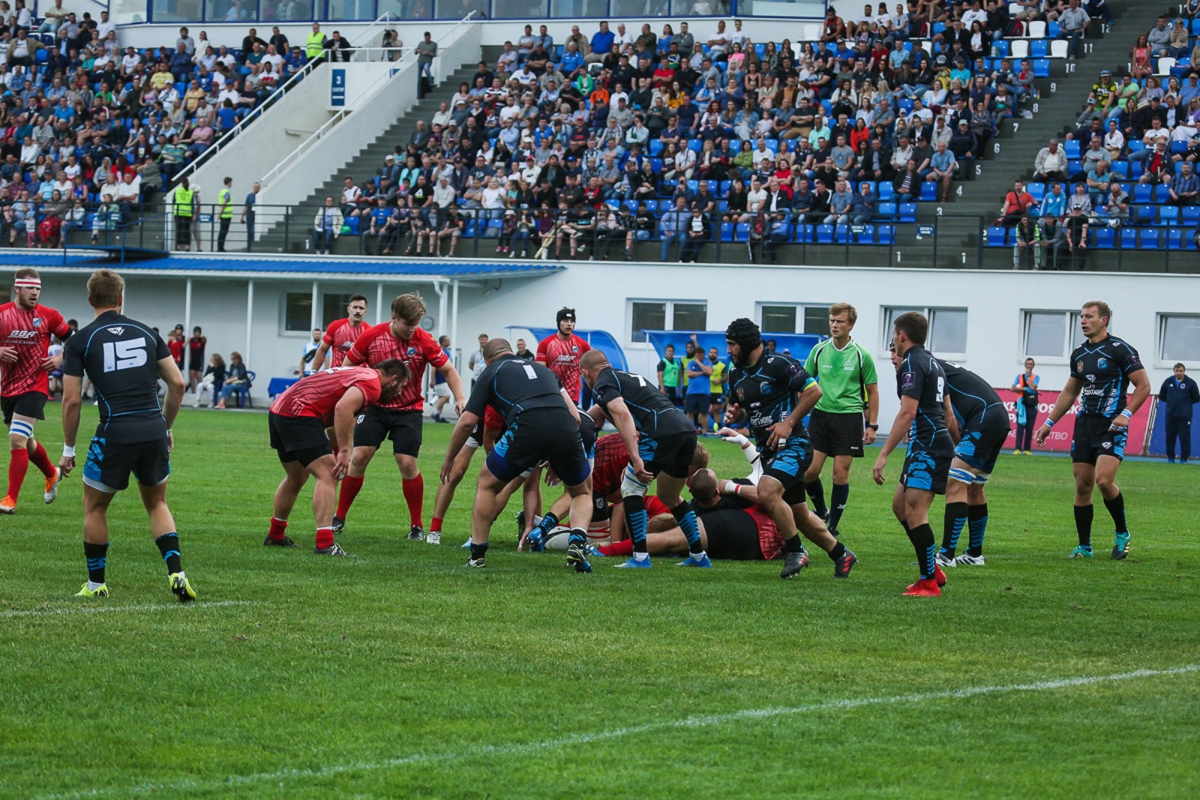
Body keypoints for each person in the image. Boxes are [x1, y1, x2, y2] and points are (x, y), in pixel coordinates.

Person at [59, 269, 194, 601]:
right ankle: (176, 573)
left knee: (94, 507)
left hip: (115, 432)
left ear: (90, 299)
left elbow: (72, 400)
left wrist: (68, 448)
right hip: (152, 429)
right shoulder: (147, 333)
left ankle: (96, 585)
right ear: (121, 299)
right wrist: (167, 427)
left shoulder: (80, 340)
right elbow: (178, 384)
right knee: (157, 503)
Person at [440, 338, 593, 573]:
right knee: (582, 491)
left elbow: (467, 421)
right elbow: (575, 416)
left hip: (526, 425)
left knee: (487, 484)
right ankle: (577, 541)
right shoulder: (544, 370)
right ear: (512, 351)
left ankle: (477, 554)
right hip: (564, 426)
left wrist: (449, 457)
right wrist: (556, 455)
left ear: (487, 359)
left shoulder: (492, 371)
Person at [724, 318, 858, 580]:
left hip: (794, 445)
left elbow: (813, 391)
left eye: (732, 345)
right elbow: (747, 412)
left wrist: (788, 423)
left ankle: (795, 551)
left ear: (747, 343)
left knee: (767, 490)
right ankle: (841, 554)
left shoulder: (779, 365)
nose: (729, 350)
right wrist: (735, 416)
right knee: (799, 514)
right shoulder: (736, 374)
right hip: (770, 451)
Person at [336, 294, 465, 540]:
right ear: (394, 317)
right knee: (359, 456)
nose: (412, 329)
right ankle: (339, 517)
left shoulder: (423, 340)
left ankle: (416, 526)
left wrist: (459, 397)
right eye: (408, 324)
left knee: (407, 463)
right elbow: (347, 366)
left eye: (416, 323)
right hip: (374, 408)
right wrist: (352, 399)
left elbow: (448, 369)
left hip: (408, 411)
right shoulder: (372, 336)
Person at [1035, 301, 1151, 559]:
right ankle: (1085, 546)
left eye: (1089, 317)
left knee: (1104, 480)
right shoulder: (1079, 354)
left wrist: (1126, 413)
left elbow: (1143, 386)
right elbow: (1069, 391)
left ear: (1104, 320)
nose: (1083, 321)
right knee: (1083, 485)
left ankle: (1122, 534)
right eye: (1081, 317)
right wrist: (1049, 423)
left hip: (1111, 424)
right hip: (1084, 424)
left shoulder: (1120, 350)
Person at [579, 350, 710, 569]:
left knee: (631, 487)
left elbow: (621, 414)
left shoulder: (602, 383)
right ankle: (698, 555)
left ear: (585, 373)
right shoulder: (621, 376)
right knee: (670, 496)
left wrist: (635, 457)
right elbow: (591, 416)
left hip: (660, 431)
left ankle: (640, 557)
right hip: (685, 430)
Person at [265, 360, 410, 557]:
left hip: (279, 410)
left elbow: (343, 420)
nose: (400, 393)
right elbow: (342, 409)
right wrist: (342, 452)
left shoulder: (361, 374)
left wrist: (341, 449)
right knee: (328, 475)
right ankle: (325, 544)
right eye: (401, 387)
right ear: (393, 380)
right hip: (298, 413)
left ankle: (275, 534)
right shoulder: (372, 385)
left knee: (296, 477)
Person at [871, 312, 954, 597]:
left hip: (928, 445)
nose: (894, 340)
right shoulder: (933, 362)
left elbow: (908, 412)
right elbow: (947, 411)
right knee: (900, 506)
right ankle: (932, 569)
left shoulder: (912, 363)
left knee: (916, 513)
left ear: (902, 335)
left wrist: (883, 454)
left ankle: (929, 582)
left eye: (894, 334)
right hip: (928, 443)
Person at [803, 303, 879, 537]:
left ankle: (833, 526)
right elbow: (804, 382)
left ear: (851, 325)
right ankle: (822, 510)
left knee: (840, 474)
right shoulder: (818, 350)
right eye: (832, 320)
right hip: (820, 417)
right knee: (808, 473)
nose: (835, 325)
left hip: (848, 419)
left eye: (840, 321)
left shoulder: (861, 354)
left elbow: (873, 391)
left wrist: (872, 426)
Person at [0, 268, 72, 514]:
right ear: (17, 288)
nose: (35, 293)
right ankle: (52, 473)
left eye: (38, 289)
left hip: (35, 387)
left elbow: (75, 341)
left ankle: (10, 499)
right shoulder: (2, 315)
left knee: (16, 439)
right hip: (7, 389)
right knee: (26, 441)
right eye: (30, 288)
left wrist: (61, 357)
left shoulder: (48, 315)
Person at [935, 359, 1012, 568]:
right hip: (996, 416)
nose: (893, 358)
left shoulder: (920, 365)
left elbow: (947, 413)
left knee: (955, 483)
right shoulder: (933, 363)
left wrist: (956, 446)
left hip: (984, 418)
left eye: (895, 351)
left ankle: (945, 556)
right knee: (975, 488)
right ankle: (974, 554)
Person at [536, 307, 591, 406]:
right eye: (565, 321)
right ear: (558, 323)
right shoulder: (546, 344)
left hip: (572, 395)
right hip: (552, 392)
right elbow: (540, 371)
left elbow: (592, 363)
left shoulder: (582, 344)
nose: (569, 324)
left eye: (572, 321)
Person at [311, 294, 369, 371]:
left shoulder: (369, 332)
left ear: (365, 311)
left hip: (358, 377)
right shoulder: (335, 326)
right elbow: (322, 350)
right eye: (355, 307)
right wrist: (313, 371)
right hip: (337, 375)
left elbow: (372, 358)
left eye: (361, 308)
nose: (358, 311)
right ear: (348, 309)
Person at [1159, 363, 1199, 463]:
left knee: (1184, 438)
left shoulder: (1190, 383)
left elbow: (1196, 397)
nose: (1179, 373)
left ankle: (1184, 459)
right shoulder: (1168, 382)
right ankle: (1170, 458)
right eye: (1177, 371)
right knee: (1170, 437)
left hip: (1185, 416)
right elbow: (1162, 396)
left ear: (1184, 371)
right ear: (1174, 371)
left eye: (1180, 371)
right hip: (1171, 415)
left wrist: (1185, 406)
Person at [1011, 358, 1040, 454]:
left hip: (1031, 404)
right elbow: (1013, 388)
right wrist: (1025, 389)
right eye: (1027, 363)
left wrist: (1027, 378)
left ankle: (1027, 449)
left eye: (1031, 364)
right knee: (1020, 427)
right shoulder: (1019, 376)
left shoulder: (1036, 377)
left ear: (1033, 365)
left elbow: (1033, 387)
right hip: (1021, 404)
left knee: (1029, 427)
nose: (1029, 365)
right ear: (1025, 365)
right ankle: (1017, 448)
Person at [683, 341, 713, 433]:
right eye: (697, 355)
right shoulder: (691, 363)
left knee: (704, 413)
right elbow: (689, 374)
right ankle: (689, 430)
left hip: (704, 392)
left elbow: (709, 372)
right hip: (691, 392)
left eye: (700, 355)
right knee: (689, 412)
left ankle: (704, 431)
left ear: (703, 355)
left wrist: (700, 364)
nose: (698, 357)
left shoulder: (707, 362)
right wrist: (702, 372)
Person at [431, 334, 454, 423]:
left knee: (442, 396)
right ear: (443, 342)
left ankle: (439, 416)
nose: (449, 341)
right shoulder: (440, 351)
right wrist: (432, 379)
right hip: (440, 379)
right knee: (446, 396)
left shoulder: (447, 351)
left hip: (445, 378)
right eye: (447, 340)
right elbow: (434, 367)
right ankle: (435, 412)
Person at [172, 177, 196, 251]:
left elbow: (173, 201)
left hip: (178, 211)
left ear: (181, 183)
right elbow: (192, 204)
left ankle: (178, 246)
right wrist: (192, 214)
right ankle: (187, 246)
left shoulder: (177, 190)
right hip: (187, 212)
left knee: (178, 229)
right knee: (186, 230)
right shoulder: (191, 192)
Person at [187, 326, 207, 394]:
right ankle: (193, 392)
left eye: (198, 332)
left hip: (199, 360)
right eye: (195, 332)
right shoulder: (191, 340)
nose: (197, 334)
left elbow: (204, 341)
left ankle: (199, 393)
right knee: (192, 377)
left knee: (198, 377)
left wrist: (204, 339)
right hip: (192, 360)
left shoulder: (202, 340)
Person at [217, 176, 234, 252]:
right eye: (231, 182)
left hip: (223, 214)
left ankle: (220, 247)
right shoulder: (226, 192)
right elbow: (225, 202)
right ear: (229, 182)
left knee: (222, 231)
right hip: (226, 214)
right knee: (224, 231)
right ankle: (221, 248)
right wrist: (220, 213)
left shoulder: (221, 191)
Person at [241, 181, 259, 251]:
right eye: (255, 187)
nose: (256, 188)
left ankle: (253, 246)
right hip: (250, 216)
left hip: (257, 216)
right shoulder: (249, 196)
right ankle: (249, 247)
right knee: (249, 232)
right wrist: (242, 216)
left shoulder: (260, 196)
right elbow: (246, 206)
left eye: (257, 187)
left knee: (253, 231)